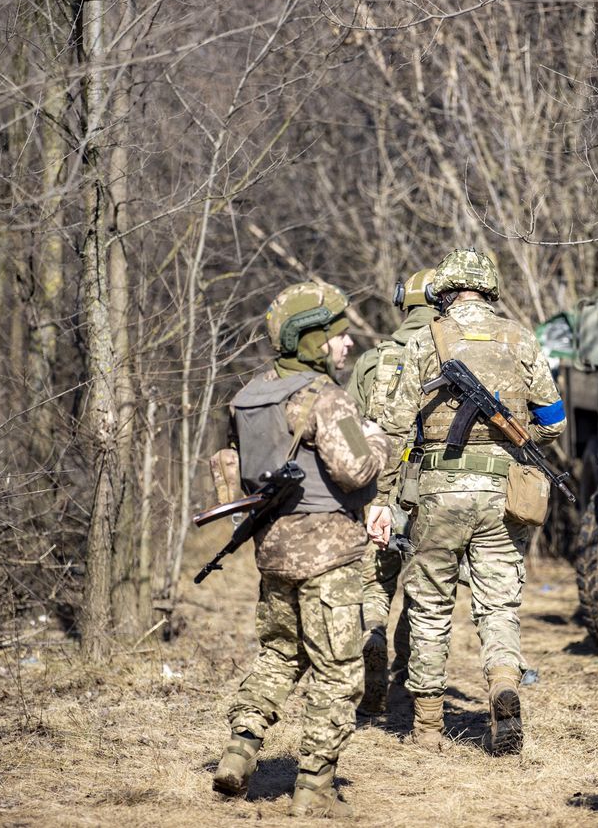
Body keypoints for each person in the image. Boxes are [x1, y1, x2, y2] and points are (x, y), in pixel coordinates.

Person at [365, 248, 566, 755]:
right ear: (490, 288)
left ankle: (428, 728)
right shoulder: (521, 338)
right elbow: (556, 419)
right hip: (504, 495)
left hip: (438, 492)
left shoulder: (426, 339)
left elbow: (393, 425)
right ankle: (502, 684)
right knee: (499, 604)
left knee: (430, 607)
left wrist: (384, 498)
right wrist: (519, 441)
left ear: (445, 290)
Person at [211, 281, 389, 818]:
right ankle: (314, 786)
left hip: (274, 550)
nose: (348, 344)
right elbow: (356, 468)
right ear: (311, 340)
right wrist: (376, 437)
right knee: (337, 670)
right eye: (338, 336)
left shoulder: (247, 396)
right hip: (329, 555)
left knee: (280, 655)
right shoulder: (325, 398)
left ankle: (240, 752)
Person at [346, 268, 438, 714]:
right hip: (434, 485)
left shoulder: (371, 360)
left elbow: (348, 429)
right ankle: (408, 677)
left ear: (405, 303)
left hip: (378, 487)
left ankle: (373, 638)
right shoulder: (447, 353)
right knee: (424, 586)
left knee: (375, 581)